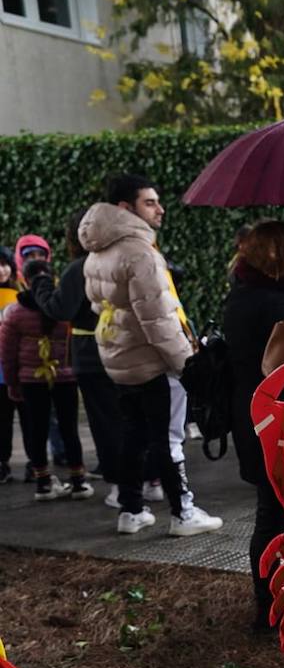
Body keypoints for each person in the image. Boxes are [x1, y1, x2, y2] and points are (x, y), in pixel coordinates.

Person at [80, 173, 223, 536]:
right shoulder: (140, 252)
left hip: (120, 358)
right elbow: (158, 319)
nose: (160, 209)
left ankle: (131, 509)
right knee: (168, 437)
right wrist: (186, 365)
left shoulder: (98, 249)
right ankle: (183, 513)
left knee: (133, 435)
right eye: (150, 202)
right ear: (125, 208)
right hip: (153, 361)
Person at [221, 220, 284, 631]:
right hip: (282, 422)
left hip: (251, 418)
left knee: (268, 513)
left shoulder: (240, 297)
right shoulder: (282, 308)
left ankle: (267, 609)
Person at [28, 209, 122, 490]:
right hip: (126, 348)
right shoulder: (123, 260)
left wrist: (40, 282)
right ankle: (150, 480)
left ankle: (124, 491)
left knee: (106, 422)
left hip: (91, 354)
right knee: (129, 416)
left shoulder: (80, 267)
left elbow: (60, 309)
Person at [0, 254, 91, 501]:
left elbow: (7, 354)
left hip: (31, 380)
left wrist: (12, 383)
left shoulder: (14, 313)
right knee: (69, 428)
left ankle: (43, 483)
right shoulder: (64, 309)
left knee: (36, 430)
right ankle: (78, 481)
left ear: (23, 279)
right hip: (66, 378)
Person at [0, 246, 24, 484]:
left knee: (29, 421)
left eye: (5, 263)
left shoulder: (20, 296)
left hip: (21, 370)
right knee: (2, 422)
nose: (1, 270)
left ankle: (35, 465)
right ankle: (2, 462)